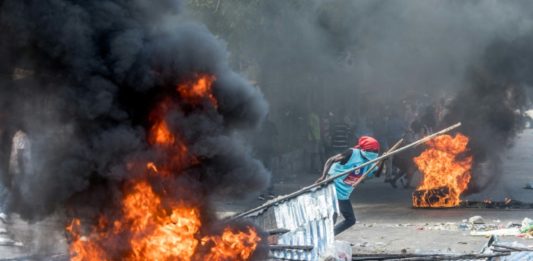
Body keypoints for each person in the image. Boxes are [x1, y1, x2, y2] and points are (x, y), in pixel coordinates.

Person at [315, 136, 381, 235]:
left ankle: (328, 236)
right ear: (364, 149)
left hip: (344, 192)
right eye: (371, 150)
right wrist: (323, 176)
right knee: (335, 214)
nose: (373, 152)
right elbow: (331, 160)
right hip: (334, 184)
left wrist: (383, 161)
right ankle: (327, 237)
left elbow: (377, 174)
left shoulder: (370, 161)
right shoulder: (352, 153)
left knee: (348, 219)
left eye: (376, 151)